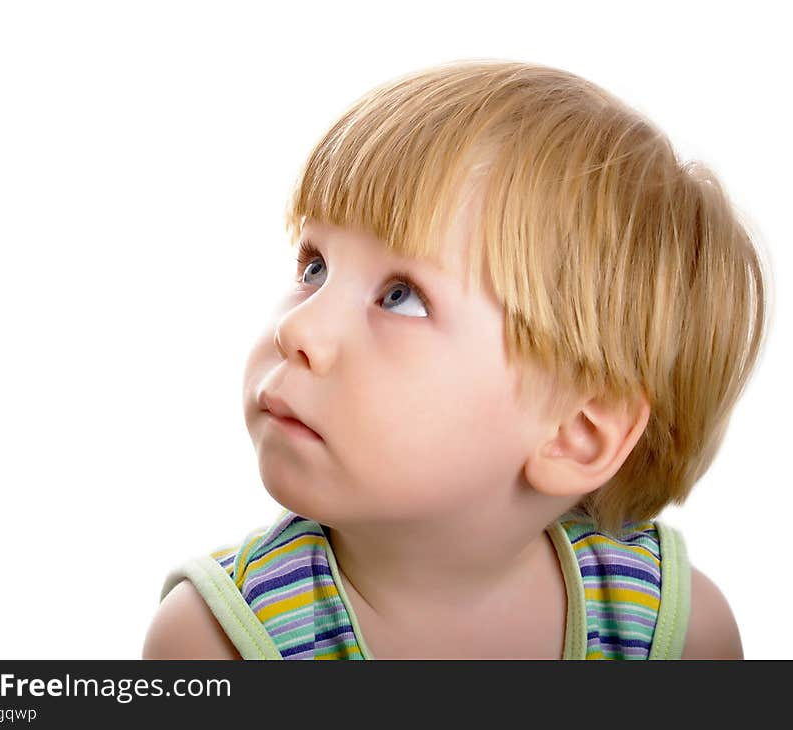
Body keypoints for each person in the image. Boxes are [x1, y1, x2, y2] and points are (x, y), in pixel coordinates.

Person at [142, 59, 769, 660]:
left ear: (575, 433)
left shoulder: (673, 631)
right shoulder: (218, 641)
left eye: (401, 297)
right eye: (314, 266)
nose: (297, 327)